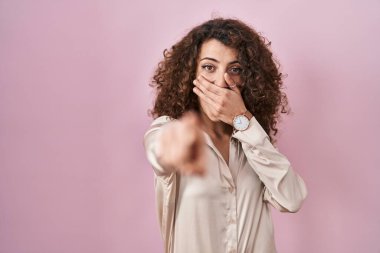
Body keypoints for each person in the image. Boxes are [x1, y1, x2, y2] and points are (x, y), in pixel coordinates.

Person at [144, 18, 307, 253]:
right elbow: (159, 151)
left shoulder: (252, 141)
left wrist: (243, 119)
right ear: (191, 72)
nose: (221, 81)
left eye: (235, 69)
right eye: (209, 67)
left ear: (248, 79)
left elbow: (292, 199)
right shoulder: (170, 130)